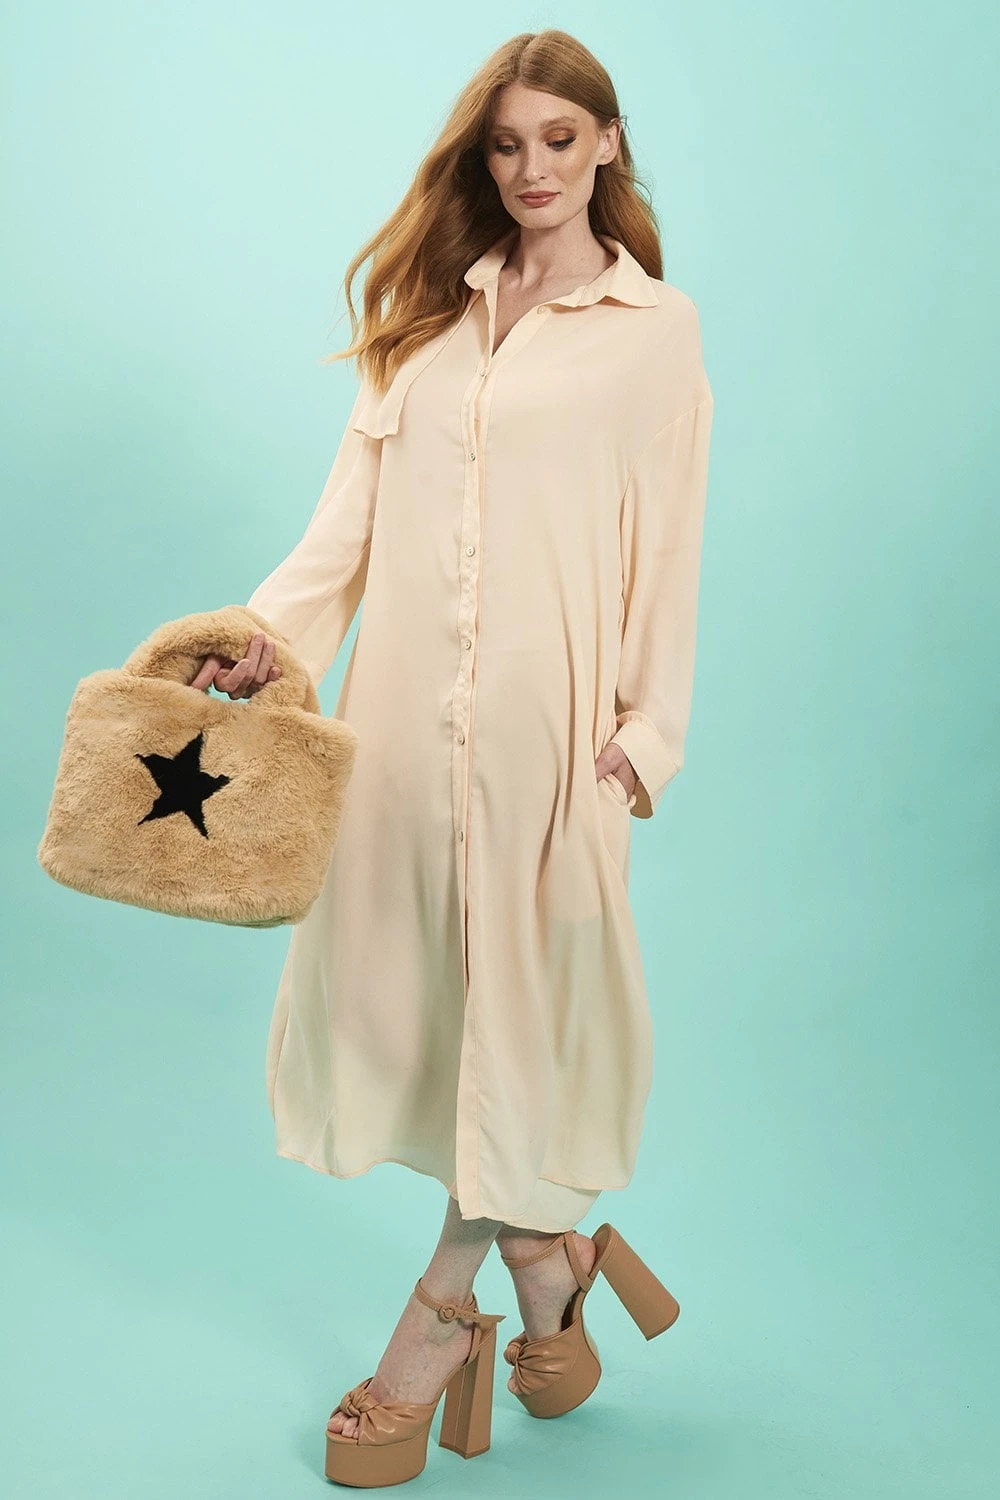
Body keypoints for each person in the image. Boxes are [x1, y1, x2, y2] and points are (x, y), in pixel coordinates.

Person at [192, 26, 713, 1488]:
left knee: (525, 1023)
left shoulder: (654, 330)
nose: (533, 168)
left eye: (561, 138)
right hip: (403, 734)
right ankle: (553, 1267)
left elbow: (671, 543)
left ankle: (433, 1327)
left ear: (607, 143)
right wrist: (268, 644)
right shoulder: (432, 315)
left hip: (559, 741)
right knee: (434, 1017)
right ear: (480, 158)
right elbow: (345, 525)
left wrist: (645, 736)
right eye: (506, 143)